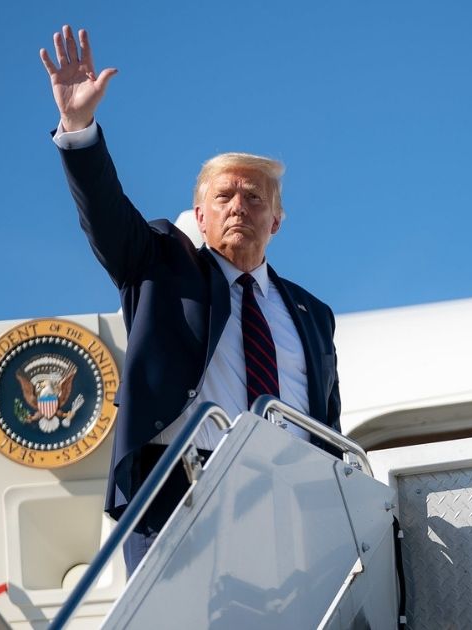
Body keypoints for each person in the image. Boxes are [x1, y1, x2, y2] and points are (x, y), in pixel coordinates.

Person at [39, 25, 343, 574]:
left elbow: (328, 425)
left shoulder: (313, 315)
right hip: (183, 494)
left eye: (255, 197)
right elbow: (106, 213)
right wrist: (79, 127)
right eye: (223, 196)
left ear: (277, 219)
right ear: (199, 217)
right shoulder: (160, 265)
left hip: (292, 511)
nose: (238, 207)